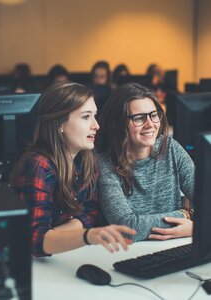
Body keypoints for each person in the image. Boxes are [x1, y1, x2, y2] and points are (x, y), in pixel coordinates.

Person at [11, 81, 135, 257]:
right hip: (31, 267)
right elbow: (35, 240)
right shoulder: (39, 166)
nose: (96, 125)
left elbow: (91, 213)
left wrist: (57, 234)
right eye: (86, 117)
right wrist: (86, 235)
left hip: (63, 256)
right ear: (60, 124)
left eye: (95, 115)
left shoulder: (85, 160)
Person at [96, 82, 194, 242]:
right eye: (139, 118)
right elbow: (126, 227)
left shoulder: (171, 148)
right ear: (118, 124)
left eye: (154, 115)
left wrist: (194, 226)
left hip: (174, 247)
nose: (150, 124)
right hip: (128, 254)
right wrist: (186, 215)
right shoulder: (104, 163)